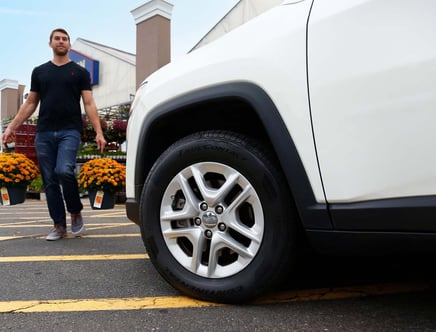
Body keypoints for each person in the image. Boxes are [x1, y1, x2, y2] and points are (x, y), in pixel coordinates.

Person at [2, 28, 106, 241]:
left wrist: (99, 132)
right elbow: (30, 103)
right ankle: (59, 225)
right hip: (45, 132)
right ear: (50, 43)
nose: (61, 41)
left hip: (70, 130)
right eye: (57, 38)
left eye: (65, 39)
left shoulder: (80, 73)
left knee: (64, 170)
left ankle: (75, 211)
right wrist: (12, 127)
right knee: (49, 180)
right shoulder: (40, 72)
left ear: (69, 45)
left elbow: (89, 103)